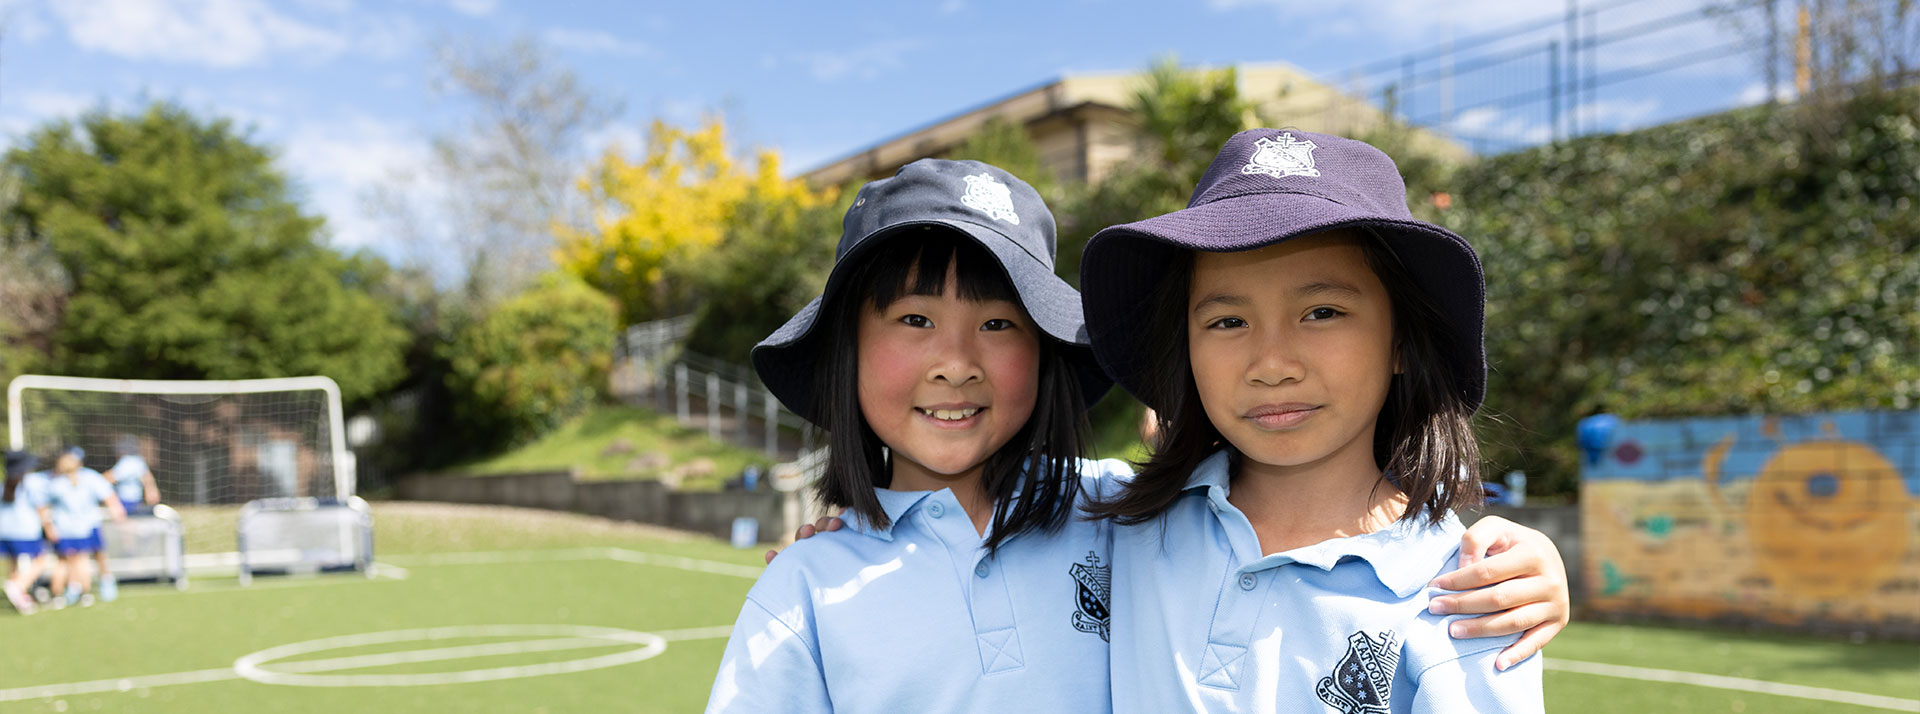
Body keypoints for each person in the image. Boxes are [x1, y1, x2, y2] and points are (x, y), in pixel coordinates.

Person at [715, 158, 1566, 714]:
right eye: (911, 318)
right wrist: (834, 550)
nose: (955, 363)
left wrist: (1529, 562)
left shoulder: (1116, 506)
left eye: (1001, 325)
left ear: (1048, 352)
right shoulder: (807, 587)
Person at [1079, 129, 1543, 712]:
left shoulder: (1468, 594)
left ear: (1403, 340)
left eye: (1322, 312)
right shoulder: (1103, 517)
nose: (1272, 365)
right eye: (1227, 322)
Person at [45, 446, 125, 607]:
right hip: (84, 529)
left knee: (64, 561)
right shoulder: (80, 479)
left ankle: (60, 594)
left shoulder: (57, 482)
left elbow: (45, 506)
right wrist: (117, 510)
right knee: (82, 560)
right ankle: (83, 592)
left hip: (65, 529)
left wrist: (48, 525)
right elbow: (109, 496)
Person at [1, 451, 52, 614]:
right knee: (41, 560)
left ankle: (19, 596)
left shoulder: (4, 484)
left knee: (14, 563)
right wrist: (49, 528)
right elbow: (41, 508)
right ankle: (17, 587)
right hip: (25, 531)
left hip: (5, 530)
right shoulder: (31, 483)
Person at [106, 435, 161, 516]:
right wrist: (151, 491)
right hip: (136, 501)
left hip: (125, 501)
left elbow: (110, 478)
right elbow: (147, 478)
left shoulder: (127, 462)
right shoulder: (139, 461)